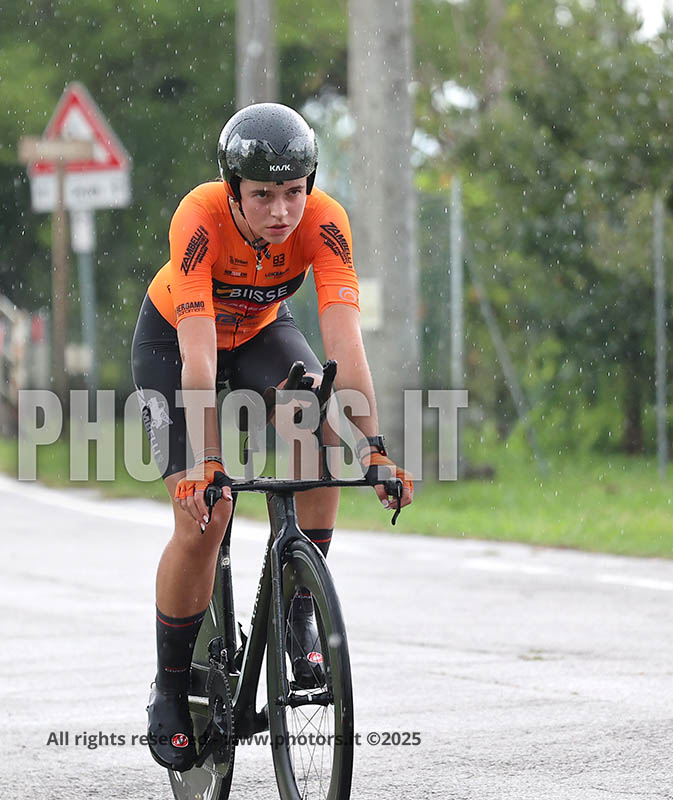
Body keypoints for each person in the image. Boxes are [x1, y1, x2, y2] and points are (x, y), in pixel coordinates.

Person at [131, 102, 414, 772]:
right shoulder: (198, 217)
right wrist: (206, 462)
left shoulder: (325, 222)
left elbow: (345, 343)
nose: (281, 211)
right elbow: (199, 356)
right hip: (175, 346)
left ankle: (298, 606)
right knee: (205, 515)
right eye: (262, 195)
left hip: (262, 334)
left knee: (315, 416)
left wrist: (374, 448)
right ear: (233, 190)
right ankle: (170, 686)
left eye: (293, 191)